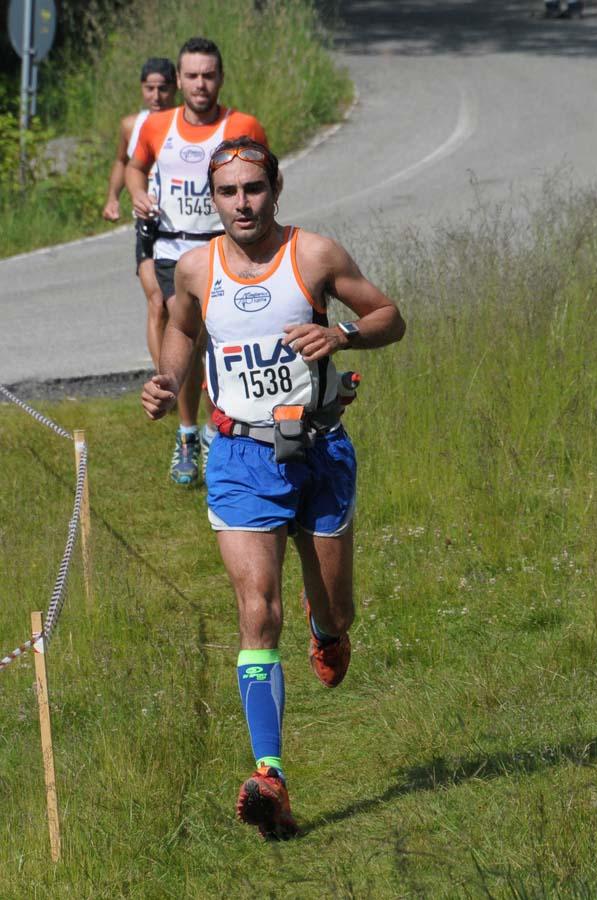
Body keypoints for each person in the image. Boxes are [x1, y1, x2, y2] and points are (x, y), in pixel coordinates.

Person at [141, 137, 406, 838]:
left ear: (275, 188)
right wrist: (169, 382)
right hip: (239, 458)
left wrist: (342, 336)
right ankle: (270, 776)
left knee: (336, 610)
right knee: (258, 613)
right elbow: (180, 329)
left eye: (253, 189)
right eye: (228, 193)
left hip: (317, 452)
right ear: (213, 198)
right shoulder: (197, 268)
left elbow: (390, 317)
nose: (241, 204)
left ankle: (330, 632)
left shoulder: (314, 255)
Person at [127, 38, 268, 486]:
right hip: (173, 250)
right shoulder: (156, 126)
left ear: (220, 78)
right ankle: (187, 434)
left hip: (223, 250)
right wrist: (137, 193)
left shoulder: (242, 124)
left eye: (208, 75)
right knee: (181, 334)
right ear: (179, 81)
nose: (200, 84)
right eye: (192, 76)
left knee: (220, 342)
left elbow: (267, 178)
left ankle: (218, 431)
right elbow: (135, 166)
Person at [102, 58, 177, 370]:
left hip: (185, 227)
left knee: (184, 309)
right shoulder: (132, 125)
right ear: (142, 89)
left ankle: (193, 375)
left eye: (163, 89)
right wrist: (113, 198)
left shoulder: (187, 125)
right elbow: (122, 161)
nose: (156, 96)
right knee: (158, 303)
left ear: (176, 88)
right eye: (150, 89)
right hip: (149, 225)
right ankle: (164, 383)